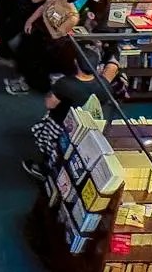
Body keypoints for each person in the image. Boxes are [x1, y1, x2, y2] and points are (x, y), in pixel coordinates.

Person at [23, 43, 121, 179]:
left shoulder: (65, 84)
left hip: (61, 124)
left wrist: (52, 90)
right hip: (87, 125)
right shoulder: (104, 84)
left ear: (76, 62)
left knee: (54, 150)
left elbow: (50, 104)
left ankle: (44, 169)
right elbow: (113, 67)